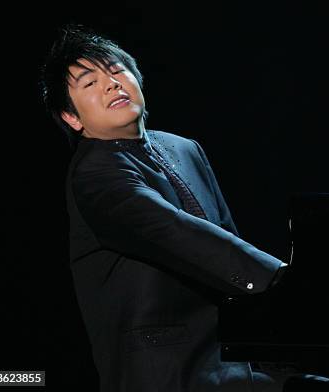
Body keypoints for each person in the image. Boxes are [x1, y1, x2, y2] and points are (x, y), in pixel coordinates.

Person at [40, 25, 293, 391]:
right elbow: (176, 231)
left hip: (234, 359)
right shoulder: (94, 174)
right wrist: (287, 283)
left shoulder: (184, 148)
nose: (111, 84)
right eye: (89, 83)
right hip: (167, 369)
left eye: (115, 70)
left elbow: (225, 238)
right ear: (72, 118)